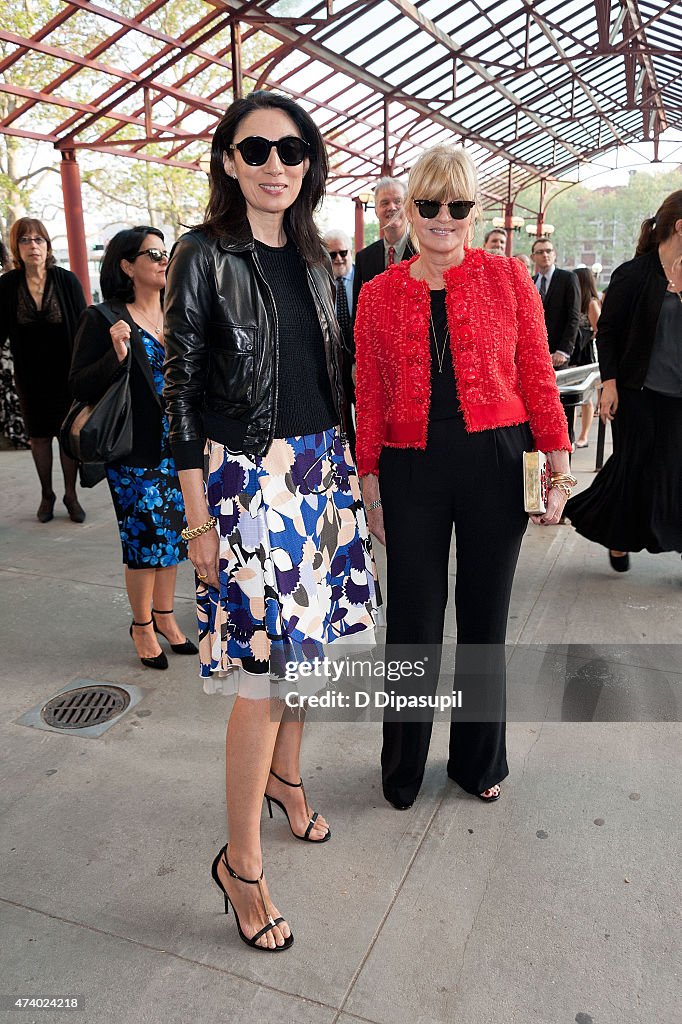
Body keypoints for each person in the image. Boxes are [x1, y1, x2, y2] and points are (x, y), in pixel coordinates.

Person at [163, 91, 381, 952]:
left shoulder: (320, 260)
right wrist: (196, 522)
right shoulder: (202, 254)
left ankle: (287, 781)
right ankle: (241, 864)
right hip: (246, 478)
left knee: (308, 657)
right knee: (260, 678)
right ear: (228, 161)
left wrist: (356, 482)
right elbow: (177, 390)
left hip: (321, 470)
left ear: (309, 161)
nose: (276, 166)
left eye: (292, 150)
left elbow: (336, 380)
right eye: (256, 151)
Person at [355, 143, 572, 811]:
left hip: (495, 464)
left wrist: (556, 464)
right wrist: (369, 481)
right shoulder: (378, 293)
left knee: (484, 622)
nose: (442, 217)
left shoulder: (508, 279)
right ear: (410, 211)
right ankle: (403, 769)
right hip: (410, 463)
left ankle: (479, 762)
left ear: (473, 211)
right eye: (428, 205)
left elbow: (538, 377)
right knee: (414, 623)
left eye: (456, 205)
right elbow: (367, 390)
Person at [69, 227, 196, 669]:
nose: (164, 260)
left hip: (179, 448)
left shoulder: (176, 312)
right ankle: (142, 625)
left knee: (175, 537)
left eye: (167, 252)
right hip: (134, 450)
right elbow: (79, 383)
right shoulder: (103, 318)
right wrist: (117, 354)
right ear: (127, 265)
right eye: (154, 253)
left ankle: (165, 615)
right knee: (144, 540)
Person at [566, 191, 682, 572]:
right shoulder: (633, 274)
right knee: (633, 469)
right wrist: (609, 383)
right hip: (638, 394)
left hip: (679, 398)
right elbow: (609, 332)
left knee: (676, 471)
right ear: (680, 227)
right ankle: (615, 532)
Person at [0, 218, 86, 520]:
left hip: (67, 376)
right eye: (25, 240)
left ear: (47, 245)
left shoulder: (66, 280)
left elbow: (84, 328)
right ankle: (47, 494)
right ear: (16, 248)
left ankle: (71, 494)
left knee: (66, 436)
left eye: (38, 239)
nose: (33, 246)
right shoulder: (7, 286)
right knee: (38, 437)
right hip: (29, 376)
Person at [531, 236, 581, 443]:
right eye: (540, 252)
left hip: (559, 356)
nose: (545, 255)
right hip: (535, 356)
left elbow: (574, 316)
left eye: (549, 251)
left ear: (555, 254)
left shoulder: (567, 278)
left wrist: (563, 351)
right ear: (533, 256)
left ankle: (564, 455)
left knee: (561, 410)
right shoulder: (531, 281)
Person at [352, 176, 416, 310]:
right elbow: (358, 311)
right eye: (384, 203)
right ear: (376, 211)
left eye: (398, 201)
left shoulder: (422, 253)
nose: (392, 207)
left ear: (407, 207)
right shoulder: (364, 258)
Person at [323, 230, 356, 451]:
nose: (338, 259)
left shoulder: (365, 279)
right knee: (343, 417)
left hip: (361, 362)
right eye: (332, 255)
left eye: (343, 252)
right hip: (334, 364)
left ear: (350, 252)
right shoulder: (321, 284)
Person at [571, 267, 601, 448]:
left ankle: (584, 435)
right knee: (573, 396)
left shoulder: (591, 303)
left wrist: (586, 337)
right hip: (575, 351)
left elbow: (599, 328)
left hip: (585, 352)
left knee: (586, 397)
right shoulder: (576, 300)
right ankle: (573, 433)